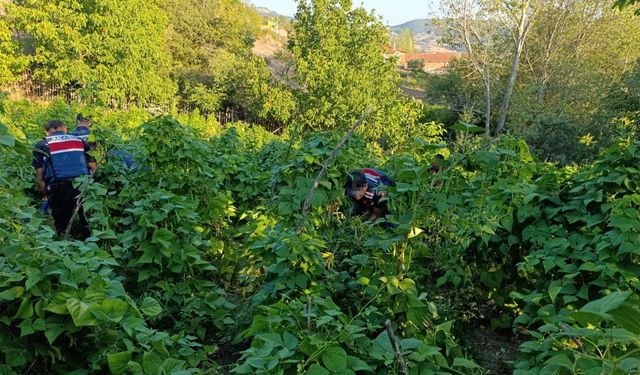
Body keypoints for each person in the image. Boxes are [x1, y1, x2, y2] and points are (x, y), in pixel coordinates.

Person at [33, 119, 97, 239]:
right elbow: (93, 166)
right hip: (83, 184)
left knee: (61, 224)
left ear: (47, 131)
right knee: (87, 220)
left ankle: (64, 243)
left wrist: (45, 195)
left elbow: (40, 176)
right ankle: (90, 242)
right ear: (65, 128)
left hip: (58, 187)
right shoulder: (79, 140)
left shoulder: (42, 144)